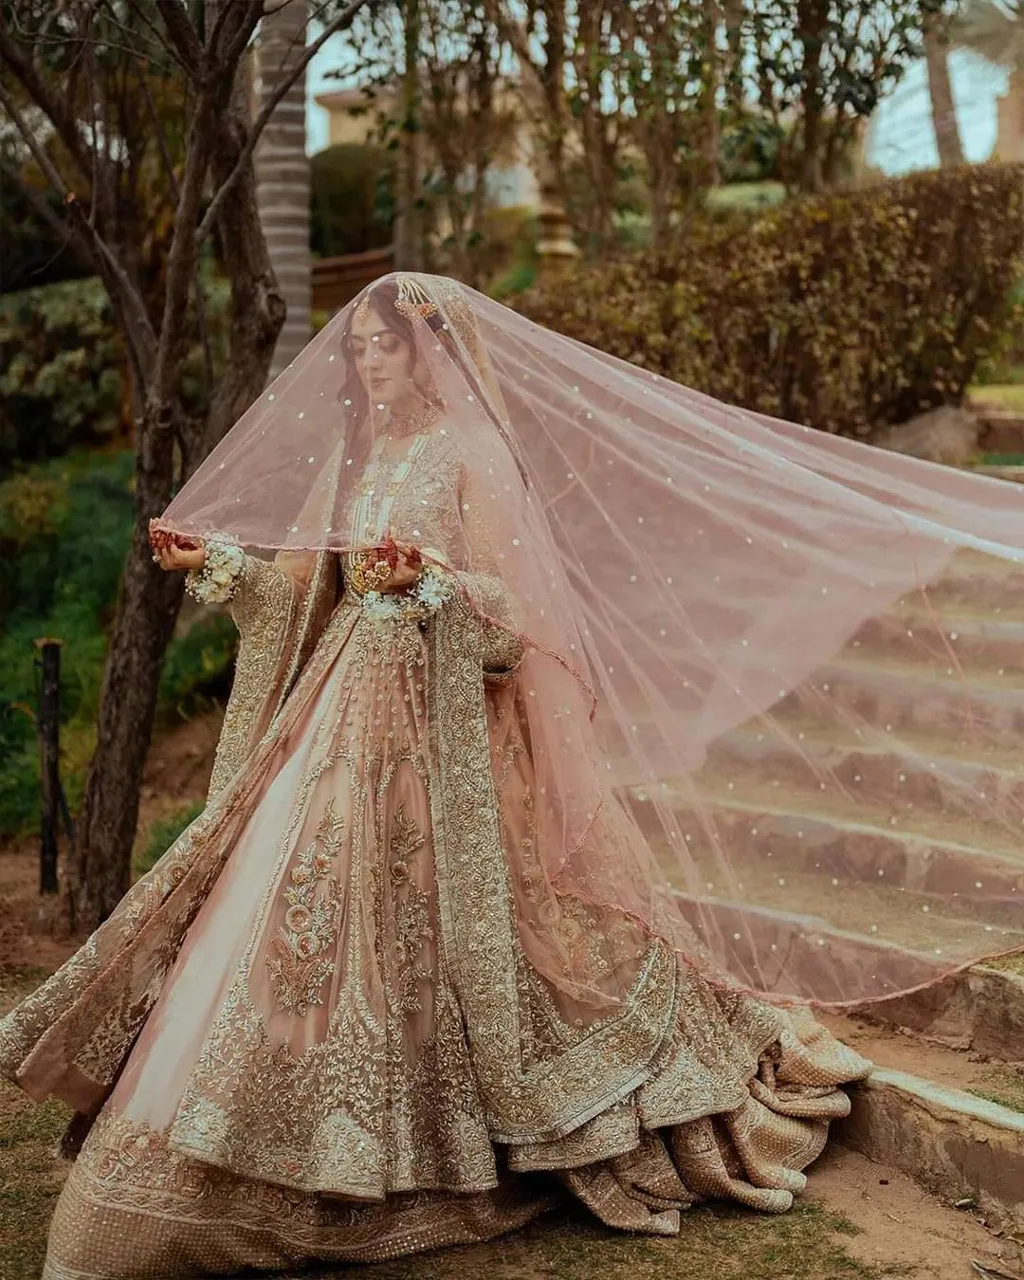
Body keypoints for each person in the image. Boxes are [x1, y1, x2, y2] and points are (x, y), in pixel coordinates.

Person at [3, 272, 1022, 1279]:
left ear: (428, 349)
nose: (367, 362)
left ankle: (436, 1138)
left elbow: (512, 619)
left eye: (384, 345)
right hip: (337, 714)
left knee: (438, 934)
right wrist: (219, 565)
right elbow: (304, 594)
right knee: (296, 913)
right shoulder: (369, 459)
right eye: (357, 347)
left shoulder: (468, 452)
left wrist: (434, 583)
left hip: (437, 729)